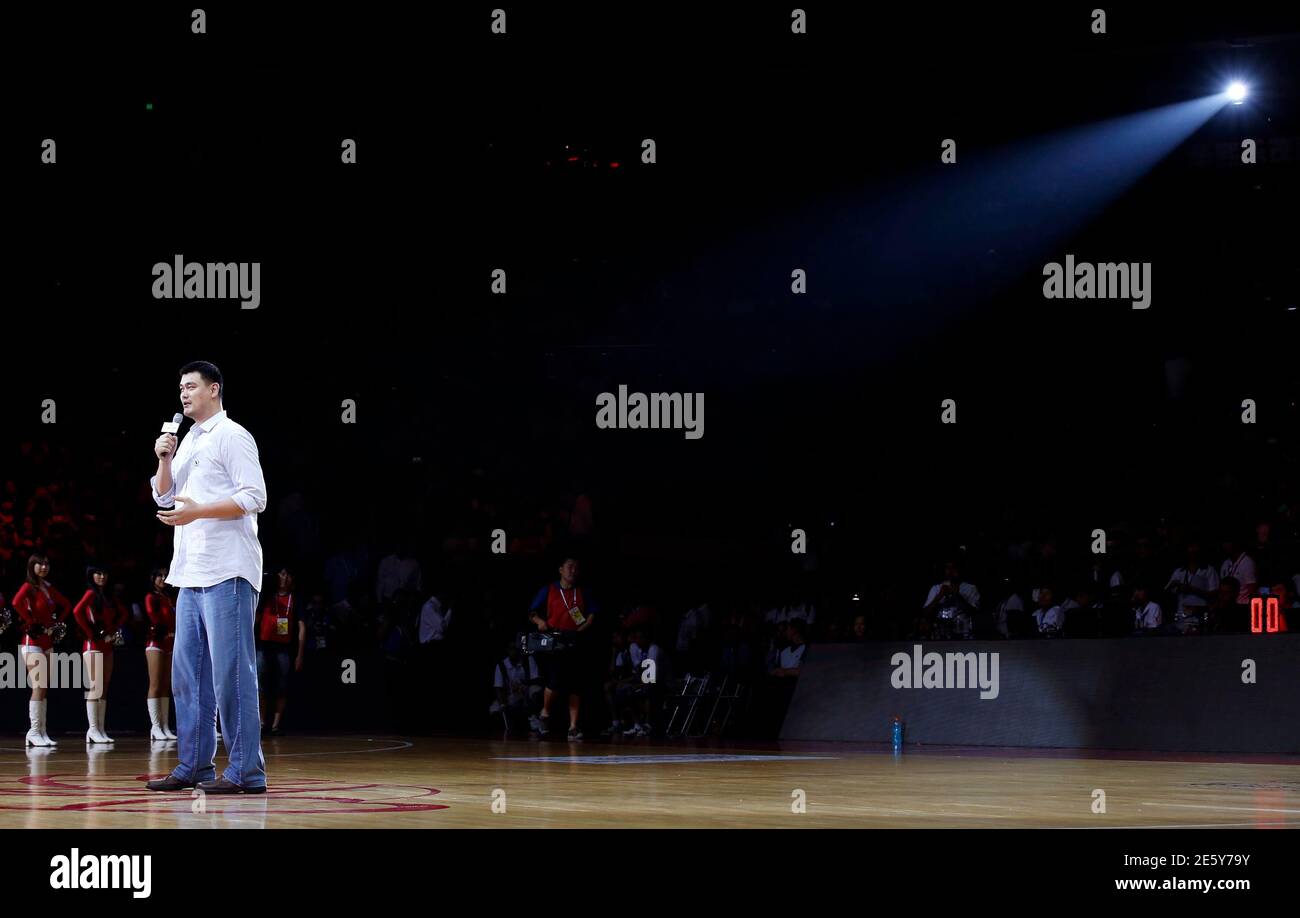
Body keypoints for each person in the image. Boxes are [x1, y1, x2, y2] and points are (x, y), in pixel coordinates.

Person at [146, 360, 269, 794]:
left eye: (192, 386)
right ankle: (194, 766)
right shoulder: (188, 441)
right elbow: (164, 495)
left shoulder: (232, 436)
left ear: (213, 389)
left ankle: (244, 772)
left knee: (231, 675)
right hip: (190, 573)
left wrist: (198, 510)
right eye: (180, 387)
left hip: (228, 570)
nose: (184, 394)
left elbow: (255, 496)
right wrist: (164, 457)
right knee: (189, 677)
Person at [527, 555, 599, 741]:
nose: (573, 570)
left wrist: (581, 629)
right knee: (555, 679)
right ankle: (545, 713)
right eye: (570, 567)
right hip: (555, 638)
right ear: (560, 569)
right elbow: (532, 612)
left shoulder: (582, 591)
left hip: (576, 639)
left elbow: (592, 614)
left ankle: (573, 727)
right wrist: (539, 621)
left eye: (576, 568)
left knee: (576, 684)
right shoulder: (549, 589)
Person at [12, 553, 72, 746]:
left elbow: (67, 605)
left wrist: (56, 622)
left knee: (43, 687)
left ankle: (41, 731)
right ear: (32, 566)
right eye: (40, 564)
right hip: (32, 642)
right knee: (38, 686)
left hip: (47, 643)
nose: (44, 567)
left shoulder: (47, 587)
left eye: (46, 563)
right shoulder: (28, 587)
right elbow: (15, 603)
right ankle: (34, 731)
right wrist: (31, 621)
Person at [72, 564, 126, 743]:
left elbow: (124, 613)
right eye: (98, 573)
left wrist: (113, 629)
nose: (102, 577)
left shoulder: (107, 596)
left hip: (107, 645)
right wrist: (90, 633)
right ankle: (93, 729)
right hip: (92, 646)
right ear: (91, 575)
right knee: (95, 687)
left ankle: (100, 729)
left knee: (104, 686)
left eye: (104, 573)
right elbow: (77, 612)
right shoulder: (90, 593)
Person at [257, 567, 306, 736]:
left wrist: (300, 654)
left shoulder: (296, 599)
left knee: (282, 686)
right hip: (264, 645)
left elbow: (301, 627)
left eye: (287, 574)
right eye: (281, 573)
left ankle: (276, 725)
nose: (284, 577)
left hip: (284, 648)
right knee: (261, 685)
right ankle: (262, 722)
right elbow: (256, 617)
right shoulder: (267, 596)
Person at [144, 568, 178, 740]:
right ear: (153, 578)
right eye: (159, 575)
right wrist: (164, 630)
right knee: (155, 684)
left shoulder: (169, 598)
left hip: (169, 643)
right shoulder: (151, 597)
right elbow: (152, 616)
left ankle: (165, 726)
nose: (163, 579)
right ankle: (155, 726)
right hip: (155, 643)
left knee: (166, 684)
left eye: (165, 576)